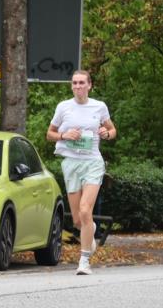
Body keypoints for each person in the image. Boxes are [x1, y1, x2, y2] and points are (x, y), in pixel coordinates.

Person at [46, 69, 117, 275]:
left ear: (89, 85)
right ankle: (90, 230)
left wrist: (106, 133)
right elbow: (49, 134)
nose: (77, 86)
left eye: (81, 83)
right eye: (74, 83)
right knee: (78, 220)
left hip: (92, 162)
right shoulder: (64, 107)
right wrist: (64, 135)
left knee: (86, 210)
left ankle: (84, 261)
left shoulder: (99, 107)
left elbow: (112, 130)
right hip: (71, 163)